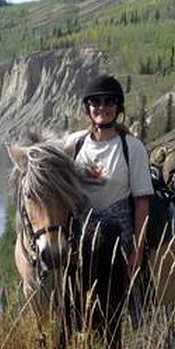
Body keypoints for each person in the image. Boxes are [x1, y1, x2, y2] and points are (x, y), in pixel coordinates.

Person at [65, 74, 153, 285]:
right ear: (87, 108)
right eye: (95, 101)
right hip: (80, 233)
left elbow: (142, 201)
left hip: (118, 235)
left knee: (118, 292)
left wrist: (138, 251)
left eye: (109, 101)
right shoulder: (73, 144)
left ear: (118, 108)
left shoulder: (132, 148)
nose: (102, 107)